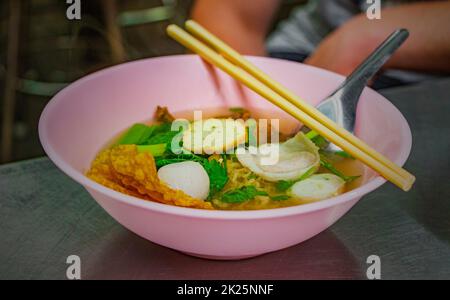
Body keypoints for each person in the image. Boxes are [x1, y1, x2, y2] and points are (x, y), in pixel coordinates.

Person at [191, 0, 450, 88]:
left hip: (429, 83)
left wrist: (366, 35)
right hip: (310, 47)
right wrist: (249, 100)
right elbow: (231, 12)